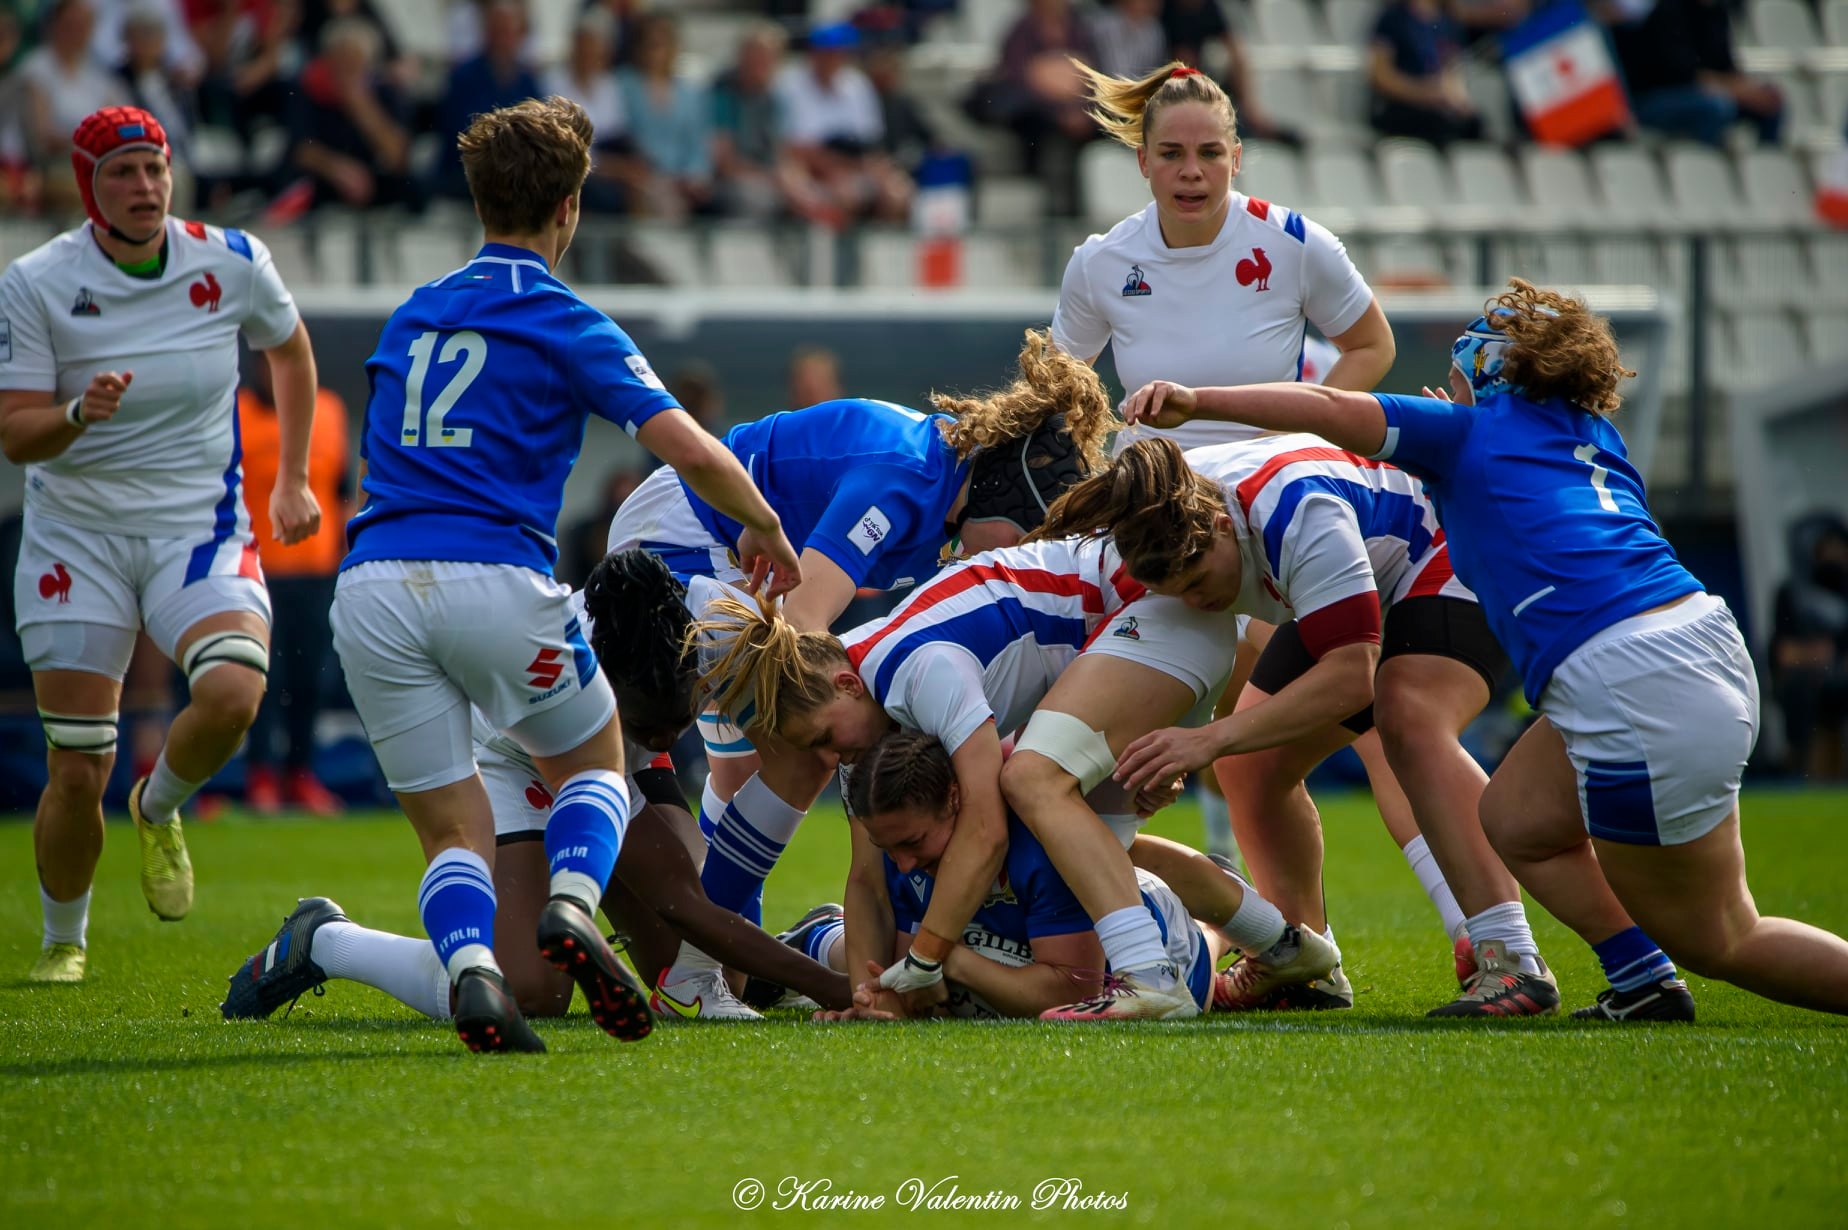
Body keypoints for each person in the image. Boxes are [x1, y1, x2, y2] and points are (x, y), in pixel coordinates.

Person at [1118, 278, 1848, 1019]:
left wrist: (1200, 402)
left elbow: (1333, 410)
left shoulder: (1468, 432)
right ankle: (1637, 979)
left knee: (1724, 936)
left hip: (1627, 678)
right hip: (1701, 640)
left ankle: (1542, 965)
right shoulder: (1590, 434)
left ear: (1488, 376)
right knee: (1519, 823)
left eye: (1464, 374)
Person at [330, 96, 799, 1054]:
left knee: (449, 830)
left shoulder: (415, 311)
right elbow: (689, 451)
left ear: (477, 199)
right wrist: (765, 525)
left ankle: (470, 969)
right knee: (594, 763)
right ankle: (576, 906)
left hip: (371, 583)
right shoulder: (563, 318)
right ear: (571, 208)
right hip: (491, 574)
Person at [1052, 59, 1450, 1004]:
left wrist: (1306, 432)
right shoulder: (1102, 261)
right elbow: (1061, 393)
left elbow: (1372, 346)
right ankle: (1292, 953)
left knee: (1354, 729)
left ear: (1237, 156)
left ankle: (1469, 936)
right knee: (1239, 755)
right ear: (1141, 162)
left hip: (1275, 526)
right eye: (1172, 155)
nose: (1192, 172)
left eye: (1209, 154)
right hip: (1166, 542)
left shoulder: (1293, 240)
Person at [609, 330, 1117, 1006]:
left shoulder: (940, 487)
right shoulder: (905, 477)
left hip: (714, 553)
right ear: (1002, 495)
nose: (1018, 558)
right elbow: (799, 628)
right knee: (806, 743)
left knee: (755, 768)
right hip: (680, 546)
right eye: (1026, 540)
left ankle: (712, 961)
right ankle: (700, 968)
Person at [693, 533, 1337, 1019]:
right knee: (1094, 850)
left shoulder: (920, 671)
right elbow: (865, 879)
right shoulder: (872, 713)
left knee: (1029, 790)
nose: (832, 757)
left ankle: (1152, 979)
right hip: (1126, 636)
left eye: (825, 739)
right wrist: (872, 992)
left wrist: (926, 959)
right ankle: (1282, 944)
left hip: (1156, 611)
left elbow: (986, 828)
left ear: (845, 683)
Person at [1036, 434, 1561, 1017]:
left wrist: (1205, 739)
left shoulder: (1295, 512)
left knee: (1407, 719)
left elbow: (1350, 678)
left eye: (1196, 580)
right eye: (1173, 590)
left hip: (1444, 547)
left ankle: (1513, 958)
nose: (1193, 600)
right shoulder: (1155, 530)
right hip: (1351, 571)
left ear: (1215, 525)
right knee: (1250, 765)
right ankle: (1301, 962)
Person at [221, 550, 852, 1025]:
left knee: (713, 976)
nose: (669, 731)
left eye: (676, 713)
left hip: (607, 757)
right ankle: (328, 943)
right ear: (602, 685)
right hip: (509, 760)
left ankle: (799, 942)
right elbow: (681, 900)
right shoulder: (554, 690)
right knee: (531, 991)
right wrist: (839, 992)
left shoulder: (714, 628)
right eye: (647, 720)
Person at [1, 105, 320, 984]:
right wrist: (74, 414)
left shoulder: (233, 258)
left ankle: (159, 802)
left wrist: (290, 477)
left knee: (232, 691)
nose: (142, 187)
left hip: (199, 527)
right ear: (86, 188)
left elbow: (290, 352)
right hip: (80, 539)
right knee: (76, 764)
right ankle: (65, 938)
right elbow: (15, 434)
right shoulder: (34, 281)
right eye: (120, 174)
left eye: (154, 169)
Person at [819, 730, 1227, 1020]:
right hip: (1023, 943)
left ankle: (1216, 931)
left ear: (954, 800)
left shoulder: (1040, 852)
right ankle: (816, 934)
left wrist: (947, 959)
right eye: (887, 849)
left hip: (1163, 934)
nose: (901, 863)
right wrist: (885, 1004)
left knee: (1199, 954)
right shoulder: (903, 854)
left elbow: (1073, 990)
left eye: (913, 842)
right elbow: (920, 987)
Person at [236, 352, 351, 816]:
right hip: (257, 568)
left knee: (310, 678)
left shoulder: (329, 410)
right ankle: (260, 774)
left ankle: (301, 775)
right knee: (264, 679)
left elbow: (341, 488)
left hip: (317, 567)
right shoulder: (238, 411)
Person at [1367, 0, 1483, 148]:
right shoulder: (1393, 18)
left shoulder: (1450, 22)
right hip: (1402, 105)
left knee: (1473, 124)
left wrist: (1457, 100)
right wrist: (1422, 93)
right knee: (1439, 126)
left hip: (1438, 106)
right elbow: (1380, 75)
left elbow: (1453, 70)